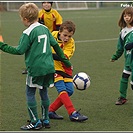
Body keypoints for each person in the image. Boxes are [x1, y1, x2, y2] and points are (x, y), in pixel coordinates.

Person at [0, 3, 71, 130]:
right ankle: (45, 119)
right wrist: (66, 61)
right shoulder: (44, 29)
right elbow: (55, 45)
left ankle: (35, 121)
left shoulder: (28, 32)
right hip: (49, 67)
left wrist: (2, 45)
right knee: (44, 92)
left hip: (35, 69)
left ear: (25, 19)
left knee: (30, 93)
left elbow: (19, 50)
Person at [48, 20, 88, 122]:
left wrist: (47, 54)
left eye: (69, 36)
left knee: (69, 91)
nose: (67, 38)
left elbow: (63, 57)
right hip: (53, 68)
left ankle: (50, 110)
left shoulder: (71, 43)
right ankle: (72, 113)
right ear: (59, 31)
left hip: (65, 68)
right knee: (62, 90)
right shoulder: (52, 35)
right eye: (65, 35)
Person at [22, 1, 63, 74]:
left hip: (51, 36)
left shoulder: (55, 13)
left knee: (53, 52)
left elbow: (58, 26)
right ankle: (30, 68)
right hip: (40, 36)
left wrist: (55, 36)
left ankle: (60, 66)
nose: (46, 4)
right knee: (34, 52)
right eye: (44, 2)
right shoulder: (39, 13)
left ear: (51, 4)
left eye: (48, 3)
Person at [110, 7, 133, 105]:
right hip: (128, 59)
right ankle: (122, 97)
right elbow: (121, 47)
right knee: (124, 76)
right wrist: (115, 56)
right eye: (125, 15)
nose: (126, 17)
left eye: (129, 15)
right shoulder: (123, 31)